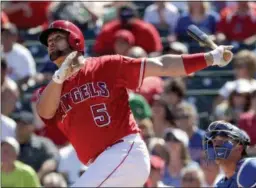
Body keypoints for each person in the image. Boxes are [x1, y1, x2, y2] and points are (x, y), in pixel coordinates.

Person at [36, 20, 233, 187]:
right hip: (101, 166)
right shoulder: (53, 88)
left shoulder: (107, 65)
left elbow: (162, 65)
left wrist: (210, 58)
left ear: (75, 39)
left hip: (124, 153)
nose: (51, 44)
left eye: (57, 38)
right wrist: (59, 78)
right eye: (49, 42)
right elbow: (44, 112)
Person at [203, 121, 256, 187]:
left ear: (239, 148)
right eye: (213, 143)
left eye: (220, 142)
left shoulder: (250, 168)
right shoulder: (219, 185)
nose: (215, 147)